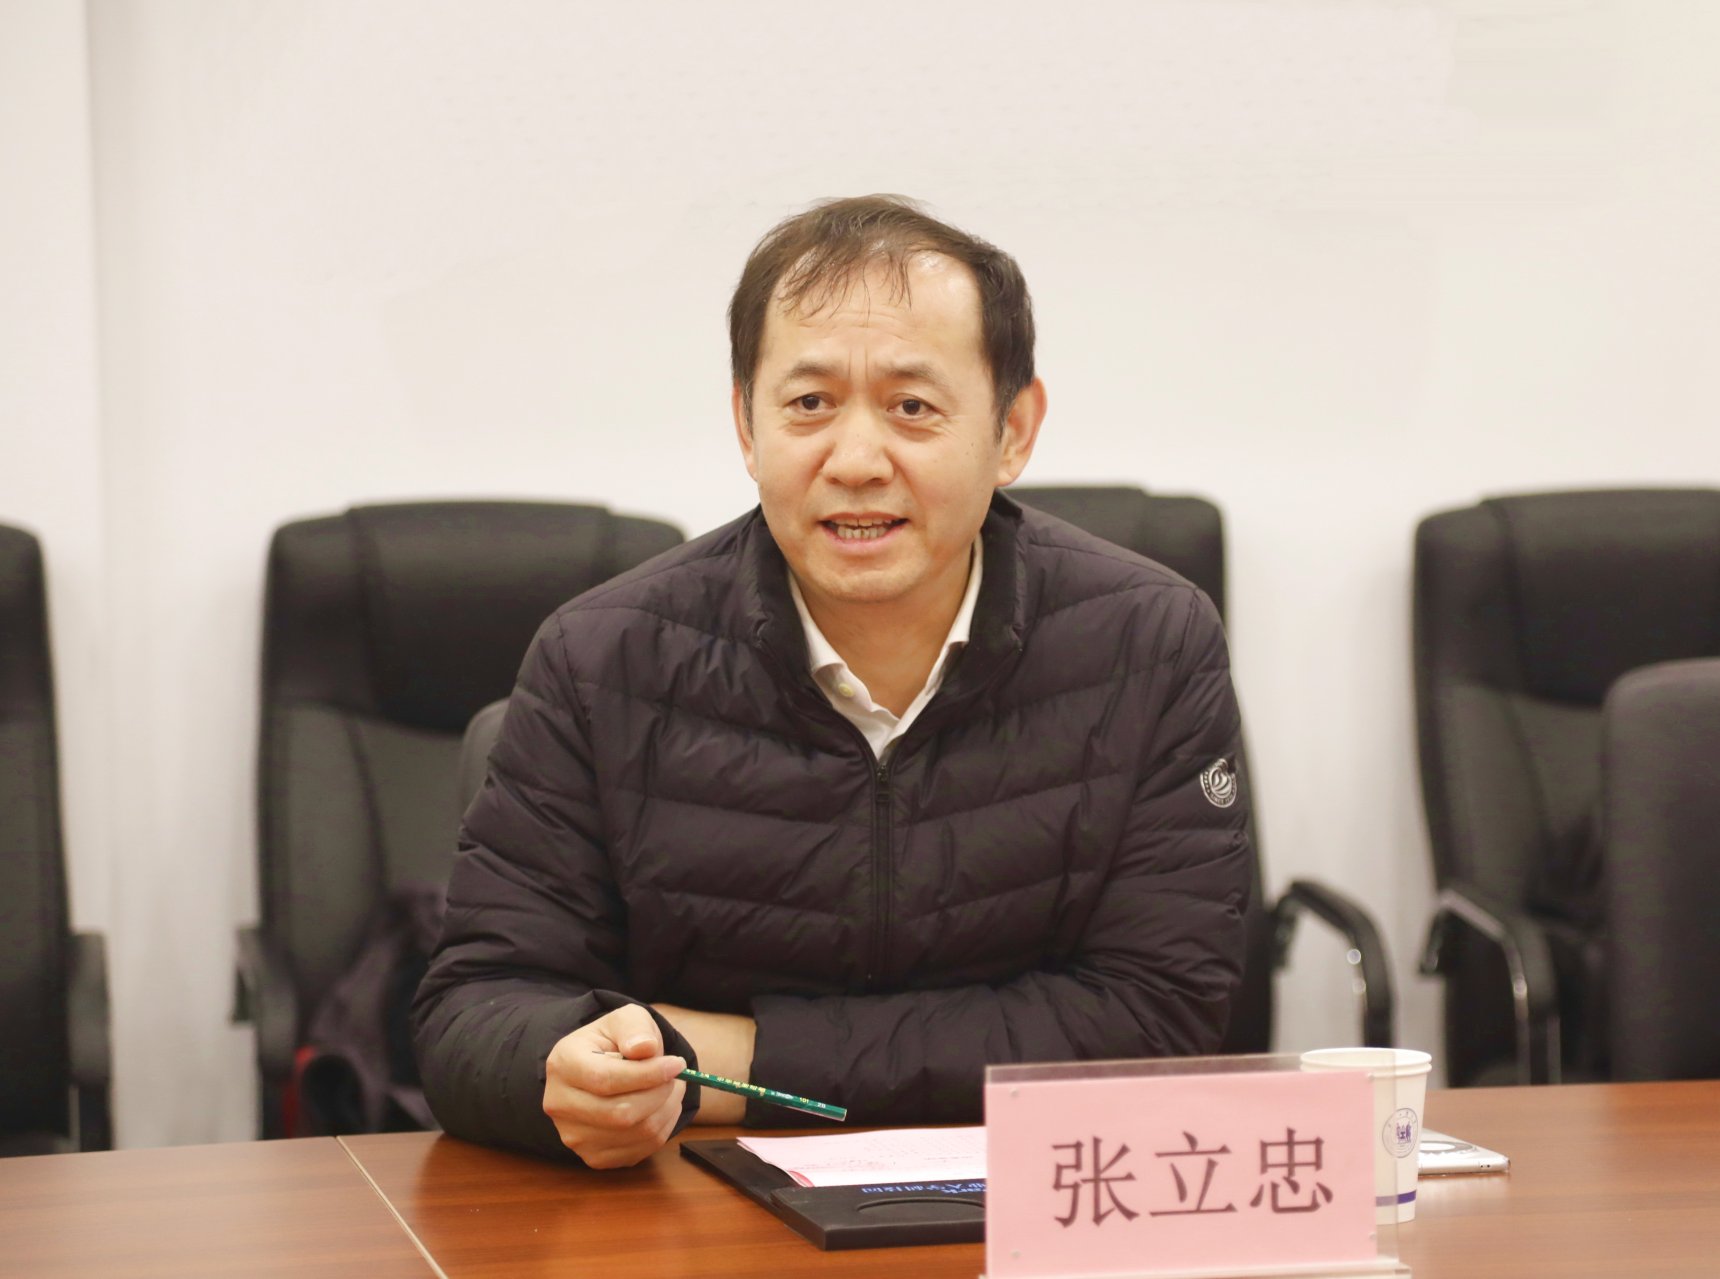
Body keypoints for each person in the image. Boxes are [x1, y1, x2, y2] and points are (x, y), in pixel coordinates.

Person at [412, 195, 1252, 1168]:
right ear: (745, 423)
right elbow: (473, 1013)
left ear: (1013, 428)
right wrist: (558, 1069)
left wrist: (724, 1061)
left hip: (1039, 1197)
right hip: (696, 1212)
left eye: (912, 407)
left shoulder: (1148, 644)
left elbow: (1156, 1019)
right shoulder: (601, 659)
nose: (855, 461)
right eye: (809, 404)